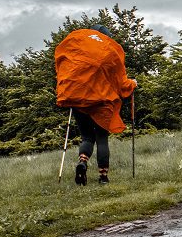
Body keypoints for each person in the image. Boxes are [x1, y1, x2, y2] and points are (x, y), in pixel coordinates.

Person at [54, 24, 137, 186]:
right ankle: (103, 177)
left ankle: (83, 162)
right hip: (101, 101)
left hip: (78, 98)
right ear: (106, 36)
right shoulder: (110, 50)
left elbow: (61, 61)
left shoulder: (77, 42)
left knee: (86, 136)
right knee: (101, 138)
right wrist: (132, 84)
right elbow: (121, 82)